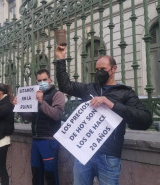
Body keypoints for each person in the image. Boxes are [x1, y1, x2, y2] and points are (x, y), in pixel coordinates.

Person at [55, 45, 152, 185]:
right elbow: (65, 86)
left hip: (109, 157)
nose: (99, 73)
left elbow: (145, 119)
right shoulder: (89, 88)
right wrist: (60, 59)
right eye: (97, 70)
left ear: (114, 69)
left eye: (103, 69)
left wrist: (111, 104)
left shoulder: (125, 92)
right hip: (84, 153)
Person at [15, 69, 65, 185]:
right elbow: (31, 117)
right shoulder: (35, 95)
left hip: (49, 140)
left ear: (50, 80)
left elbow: (57, 115)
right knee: (36, 172)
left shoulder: (57, 94)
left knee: (50, 173)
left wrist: (42, 102)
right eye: (39, 80)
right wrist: (19, 108)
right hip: (36, 139)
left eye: (44, 79)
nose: (42, 82)